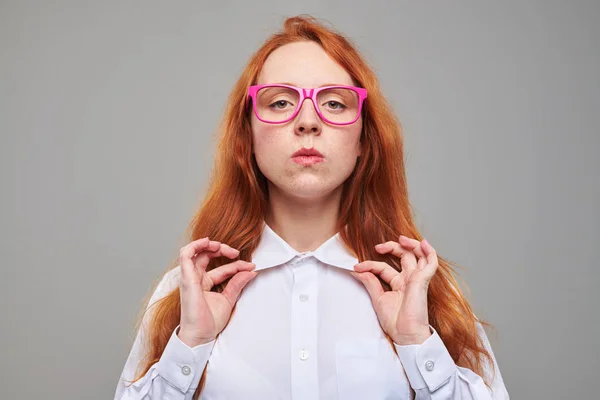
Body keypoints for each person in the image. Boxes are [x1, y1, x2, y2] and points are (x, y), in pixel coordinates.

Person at [114, 14, 509, 400]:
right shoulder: (189, 291)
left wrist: (417, 343)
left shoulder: (422, 289)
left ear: (363, 142)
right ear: (246, 137)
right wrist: (191, 344)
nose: (307, 121)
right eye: (281, 102)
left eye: (335, 104)